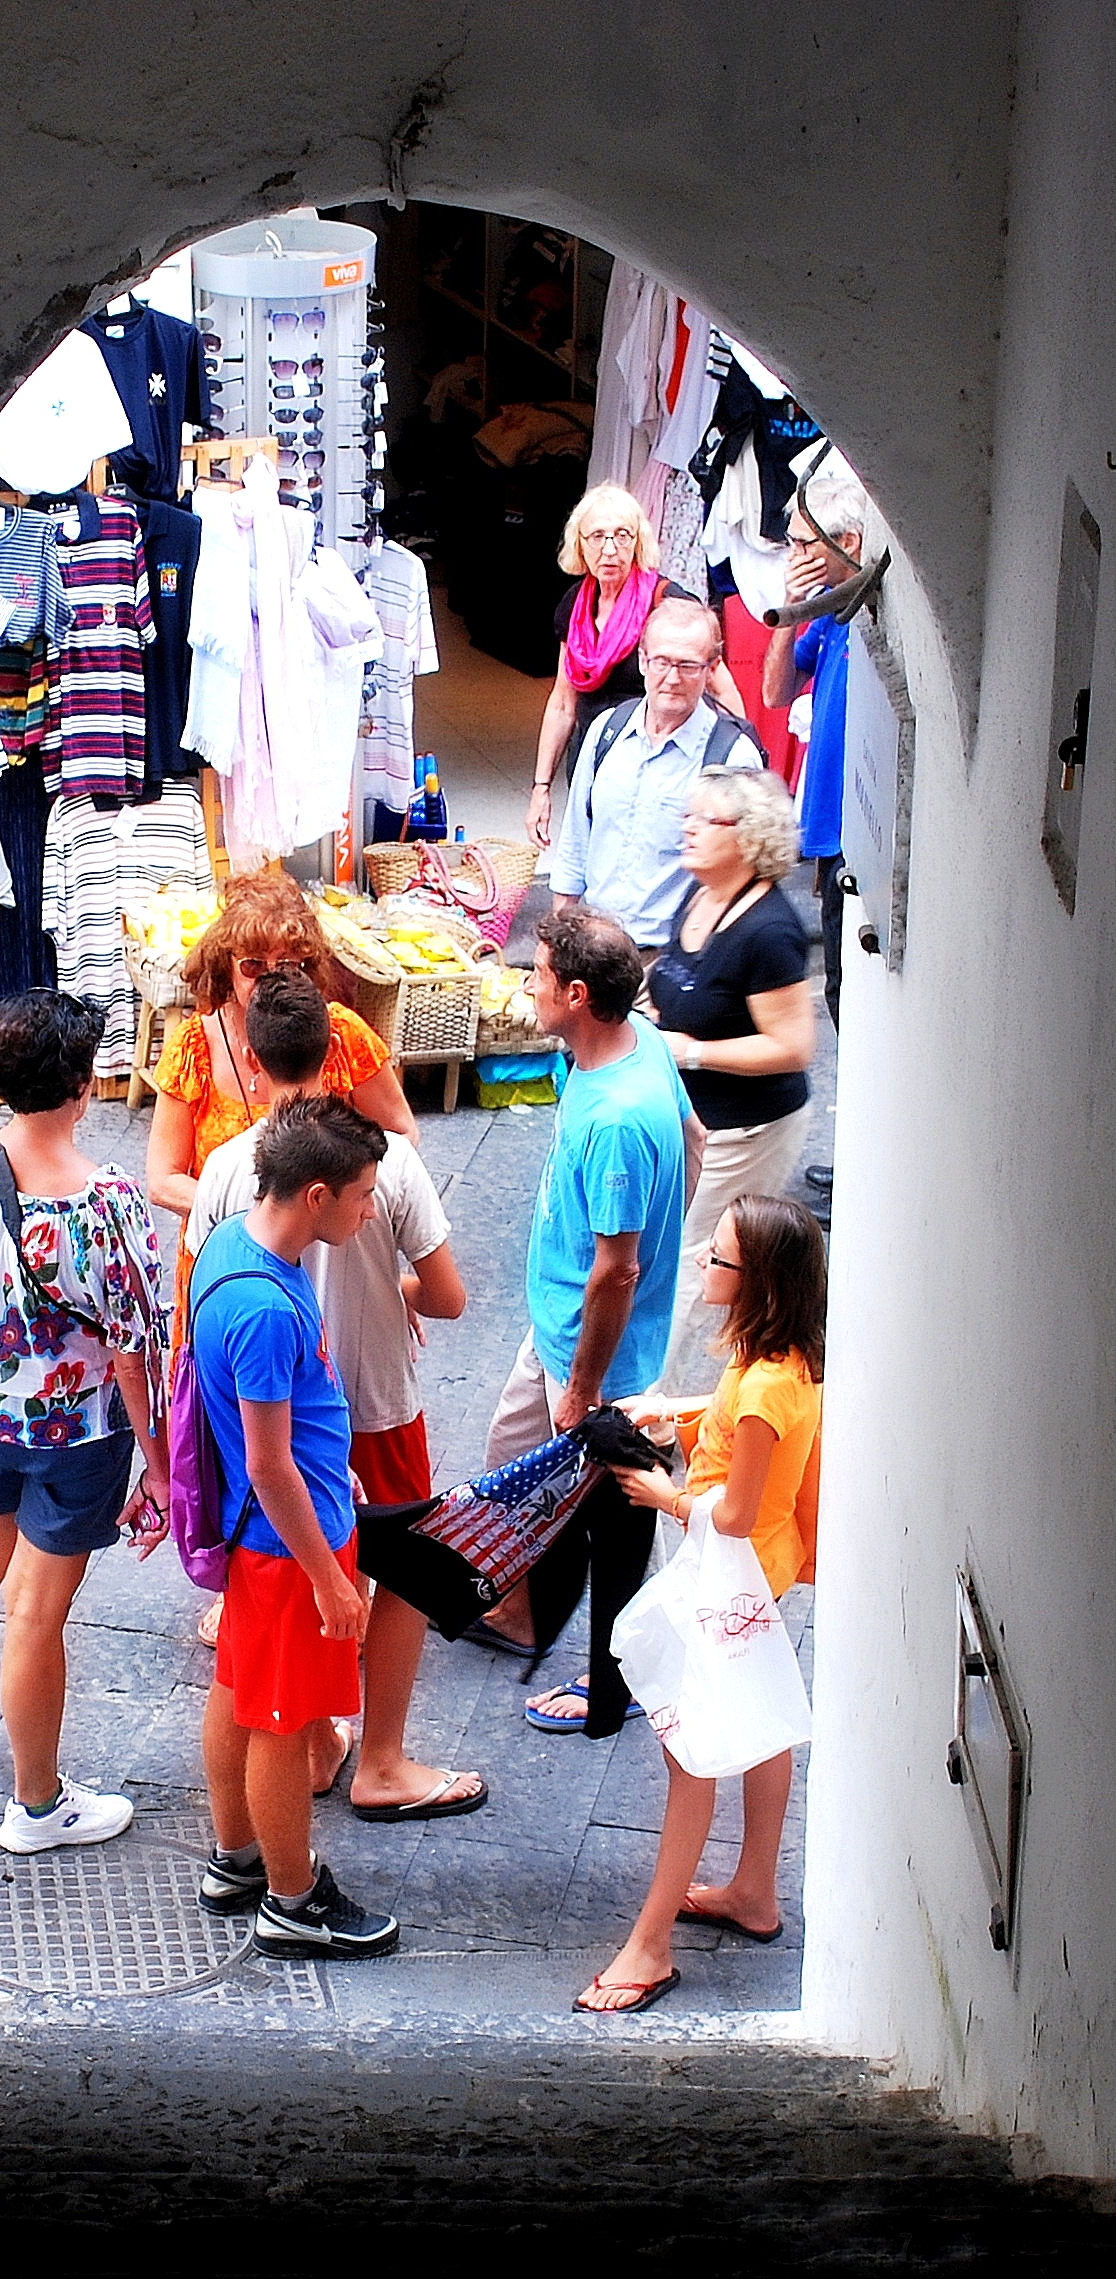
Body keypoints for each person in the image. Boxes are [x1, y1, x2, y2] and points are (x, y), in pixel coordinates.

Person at [186, 974, 482, 1820]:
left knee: (274, 1625)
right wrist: (399, 1291)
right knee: (403, 1578)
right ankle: (378, 1759)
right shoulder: (385, 1162)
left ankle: (316, 1746)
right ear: (339, 1048)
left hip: (258, 1414)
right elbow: (450, 1295)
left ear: (250, 1055)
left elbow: (199, 1298)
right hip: (375, 1401)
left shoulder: (222, 1170)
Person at [0, 991, 171, 1853]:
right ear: (83, 1086)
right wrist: (159, 1466)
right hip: (75, 1438)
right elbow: (134, 1348)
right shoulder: (106, 1202)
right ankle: (37, 1803)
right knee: (38, 1615)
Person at [574, 1194, 827, 2014]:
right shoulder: (778, 1363)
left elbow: (735, 1512)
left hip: (733, 1579)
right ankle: (754, 1888)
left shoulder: (761, 1388)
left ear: (758, 1282)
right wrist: (673, 1410)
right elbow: (736, 1429)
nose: (704, 1266)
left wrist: (661, 1494)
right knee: (760, 1722)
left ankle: (650, 1946)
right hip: (763, 1577)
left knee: (690, 1754)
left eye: (718, 1259)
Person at [471, 911, 705, 1737]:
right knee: (520, 1467)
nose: (525, 985)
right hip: (569, 1326)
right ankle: (530, 1616)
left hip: (588, 1347)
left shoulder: (613, 1121)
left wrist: (583, 1386)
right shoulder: (634, 1039)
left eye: (535, 974)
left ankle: (619, 1671)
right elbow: (695, 1137)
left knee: (615, 1510)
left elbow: (617, 1267)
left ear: (577, 994)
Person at [189, 1096, 403, 1957]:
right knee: (281, 1720)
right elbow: (271, 1463)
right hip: (290, 1547)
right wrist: (330, 1577)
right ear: (315, 1194)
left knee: (239, 1690)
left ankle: (236, 1859)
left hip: (263, 1538)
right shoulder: (273, 1308)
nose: (369, 1208)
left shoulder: (227, 1251)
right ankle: (290, 1896)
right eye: (360, 1193)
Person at [642, 768, 816, 1388]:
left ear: (747, 837)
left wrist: (691, 1051)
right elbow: (678, 986)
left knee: (692, 1258)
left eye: (706, 820)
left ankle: (642, 1412)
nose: (687, 829)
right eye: (688, 815)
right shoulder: (701, 895)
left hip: (746, 1127)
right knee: (671, 1251)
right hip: (693, 1118)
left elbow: (793, 1046)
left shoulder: (769, 932)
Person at [144, 869, 417, 1241]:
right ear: (228, 964)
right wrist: (258, 1216)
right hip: (225, 1253)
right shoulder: (194, 1047)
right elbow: (162, 1180)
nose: (270, 978)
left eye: (287, 965)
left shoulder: (342, 1033)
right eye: (253, 965)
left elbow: (401, 1134)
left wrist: (338, 1205)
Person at [760, 455, 869, 1210]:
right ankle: (854, 1151)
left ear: (848, 541)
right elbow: (774, 688)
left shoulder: (864, 615)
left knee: (852, 1004)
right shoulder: (825, 614)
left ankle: (860, 1158)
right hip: (825, 838)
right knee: (840, 1001)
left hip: (854, 842)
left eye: (805, 544)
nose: (795, 558)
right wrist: (787, 608)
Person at [527, 486, 746, 851]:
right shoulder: (574, 606)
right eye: (597, 536)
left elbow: (720, 686)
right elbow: (563, 703)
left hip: (656, 763)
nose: (609, 549)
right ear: (580, 544)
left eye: (622, 536)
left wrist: (740, 765)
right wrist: (541, 788)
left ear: (638, 542)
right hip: (593, 760)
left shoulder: (666, 602)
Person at [549, 595, 767, 955]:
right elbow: (576, 842)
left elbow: (746, 881)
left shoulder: (731, 756)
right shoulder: (607, 731)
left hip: (669, 960)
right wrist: (558, 944)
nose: (672, 678)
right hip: (593, 955)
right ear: (642, 661)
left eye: (688, 665)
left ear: (712, 669)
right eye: (662, 662)